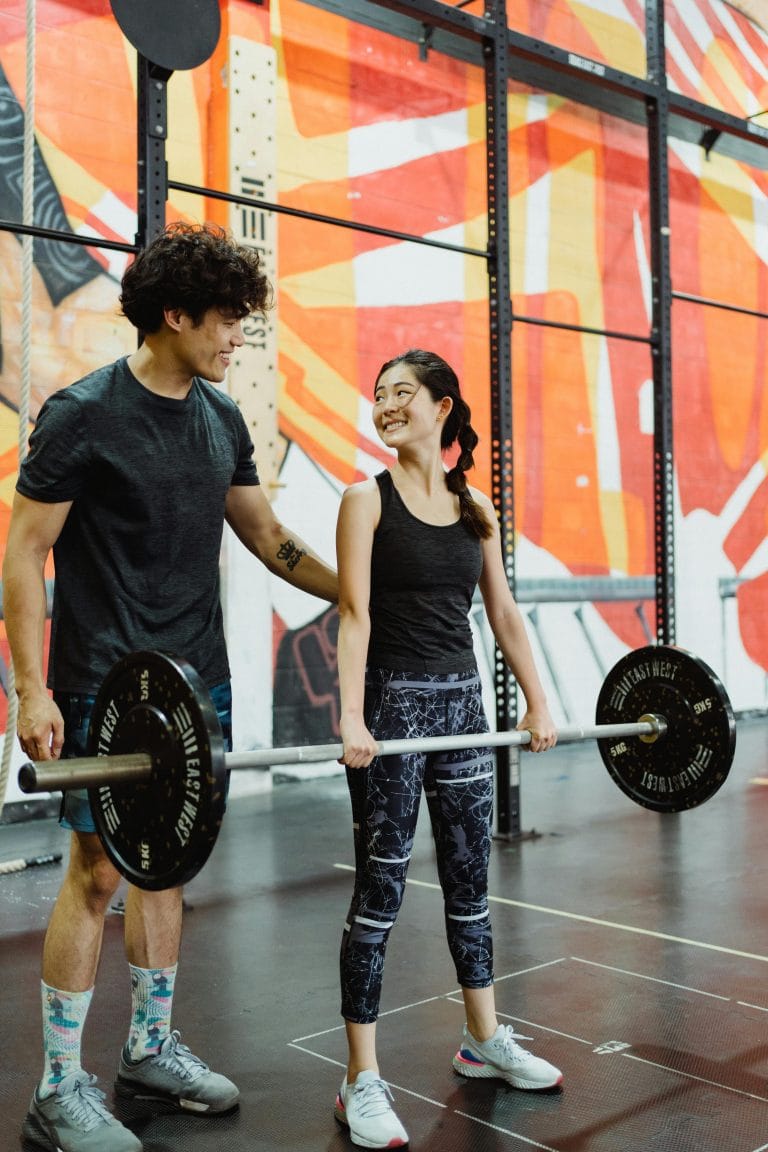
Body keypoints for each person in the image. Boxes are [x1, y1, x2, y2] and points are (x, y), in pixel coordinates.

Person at [3, 221, 338, 1152]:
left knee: (168, 866)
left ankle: (149, 1047)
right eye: (227, 321)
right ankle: (58, 1089)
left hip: (192, 684)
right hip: (106, 685)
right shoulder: (83, 414)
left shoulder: (221, 419)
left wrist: (360, 591)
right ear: (174, 314)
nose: (238, 338)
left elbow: (269, 539)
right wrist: (31, 691)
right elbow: (25, 553)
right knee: (98, 871)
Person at [333, 349, 562, 1149]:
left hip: (464, 708)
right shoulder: (364, 500)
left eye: (403, 393)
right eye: (380, 395)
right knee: (381, 895)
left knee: (471, 883)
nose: (387, 405)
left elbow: (501, 612)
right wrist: (352, 718)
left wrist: (536, 697)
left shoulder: (476, 506)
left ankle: (483, 1040)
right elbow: (354, 615)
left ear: (440, 406)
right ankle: (360, 1079)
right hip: (393, 710)